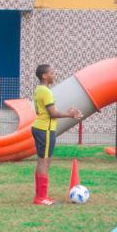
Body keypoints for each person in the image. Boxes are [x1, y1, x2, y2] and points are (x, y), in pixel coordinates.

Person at [31, 64, 83, 205]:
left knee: (43, 160)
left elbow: (39, 111)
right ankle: (41, 198)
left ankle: (41, 196)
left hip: (40, 128)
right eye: (52, 73)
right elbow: (52, 113)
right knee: (44, 161)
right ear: (44, 76)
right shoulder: (46, 92)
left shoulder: (39, 90)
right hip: (45, 130)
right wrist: (69, 114)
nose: (54, 75)